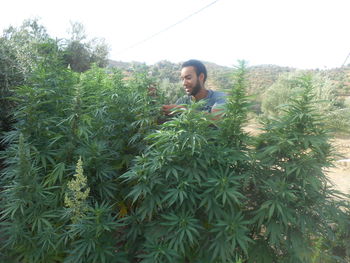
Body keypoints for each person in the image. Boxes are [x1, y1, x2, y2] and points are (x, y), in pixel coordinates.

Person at [162, 59, 227, 116]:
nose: (184, 83)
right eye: (182, 79)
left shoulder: (219, 97)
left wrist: (184, 110)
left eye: (188, 78)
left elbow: (216, 120)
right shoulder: (183, 101)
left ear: (201, 77)